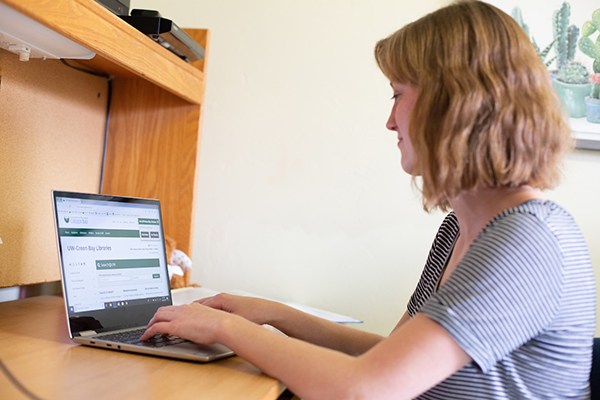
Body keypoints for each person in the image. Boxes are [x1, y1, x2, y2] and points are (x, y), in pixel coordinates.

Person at [141, 1, 596, 398]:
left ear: (453, 104)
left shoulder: (528, 241)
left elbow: (365, 390)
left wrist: (226, 329)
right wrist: (273, 315)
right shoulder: (459, 229)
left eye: (398, 95)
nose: (390, 121)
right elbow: (388, 360)